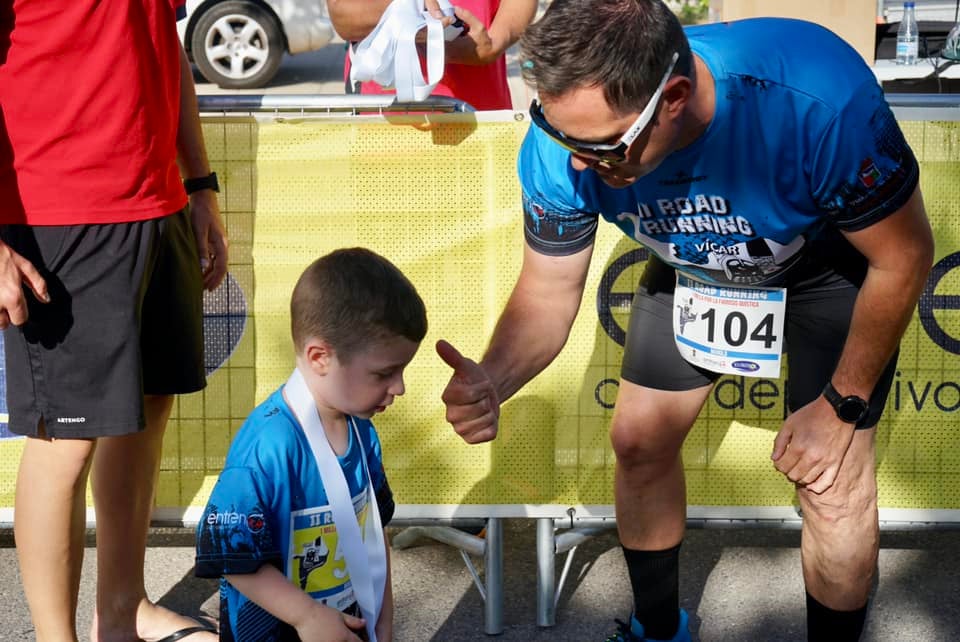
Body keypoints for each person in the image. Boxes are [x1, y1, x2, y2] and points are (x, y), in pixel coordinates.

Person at [435, 1, 935, 640]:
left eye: (602, 148)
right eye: (560, 137)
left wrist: (841, 405)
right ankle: (657, 629)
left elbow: (903, 258)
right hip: (696, 265)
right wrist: (493, 380)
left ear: (672, 96)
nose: (579, 164)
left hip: (828, 263)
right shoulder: (565, 143)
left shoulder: (815, 95)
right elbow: (548, 291)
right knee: (639, 443)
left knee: (831, 483)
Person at [0, 2, 228, 641]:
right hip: (59, 213)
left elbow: (165, 46)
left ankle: (123, 612)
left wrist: (200, 185)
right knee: (64, 443)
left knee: (145, 412)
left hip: (159, 203)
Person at [194, 248, 427, 642]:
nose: (399, 388)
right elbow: (230, 558)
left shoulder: (363, 430)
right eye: (385, 373)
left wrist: (384, 617)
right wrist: (306, 617)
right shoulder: (268, 448)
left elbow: (373, 532)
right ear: (320, 357)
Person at [328, 0, 537, 110]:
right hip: (385, 117)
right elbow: (344, 17)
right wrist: (409, 9)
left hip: (480, 113)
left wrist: (495, 42)